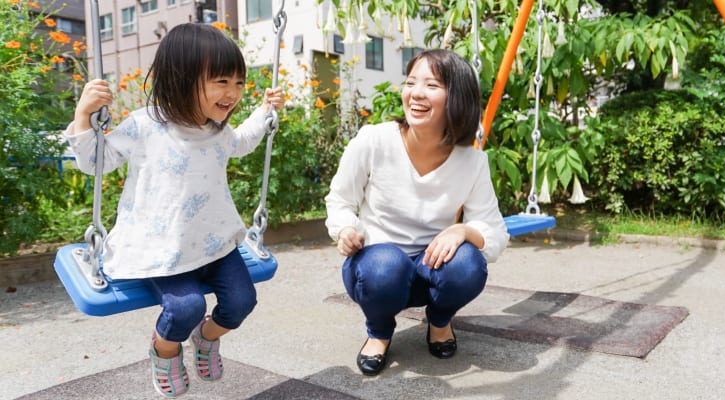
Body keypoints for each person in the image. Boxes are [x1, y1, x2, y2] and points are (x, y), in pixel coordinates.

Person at [63, 23, 284, 397]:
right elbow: (96, 162)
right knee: (185, 308)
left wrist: (265, 111)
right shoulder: (145, 126)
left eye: (239, 83)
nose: (232, 94)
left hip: (214, 242)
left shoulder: (217, 131)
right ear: (182, 78)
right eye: (221, 81)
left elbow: (244, 141)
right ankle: (164, 352)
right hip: (162, 246)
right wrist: (84, 115)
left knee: (242, 301)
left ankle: (206, 338)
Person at [325, 49, 509, 376]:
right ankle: (379, 331)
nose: (416, 93)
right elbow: (339, 201)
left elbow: (495, 232)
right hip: (376, 270)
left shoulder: (472, 161)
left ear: (458, 98)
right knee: (385, 265)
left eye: (432, 85)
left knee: (469, 264)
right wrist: (344, 230)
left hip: (430, 269)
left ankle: (439, 322)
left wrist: (462, 231)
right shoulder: (374, 140)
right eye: (411, 82)